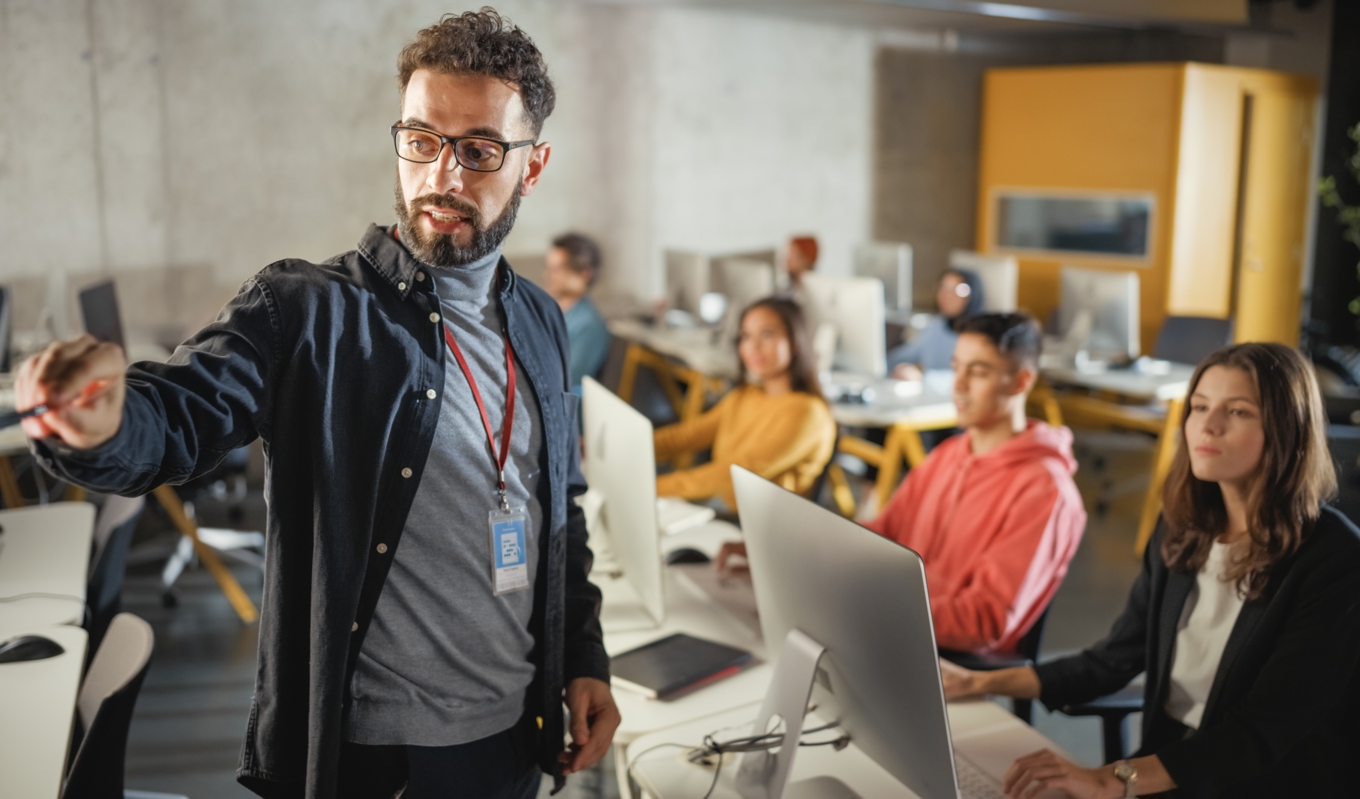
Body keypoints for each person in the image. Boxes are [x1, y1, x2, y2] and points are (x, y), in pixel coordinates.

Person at [15, 11, 617, 799]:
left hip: (512, 740)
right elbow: (178, 415)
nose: (443, 175)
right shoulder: (304, 311)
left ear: (532, 167)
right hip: (377, 762)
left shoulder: (540, 318)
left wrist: (582, 657)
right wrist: (103, 426)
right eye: (421, 140)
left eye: (479, 150)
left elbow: (559, 509)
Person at [941, 343, 1360, 799]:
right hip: (1168, 770)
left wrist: (1111, 779)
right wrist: (981, 682)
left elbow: (1263, 730)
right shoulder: (1183, 529)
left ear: (1287, 429)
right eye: (1199, 407)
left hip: (1265, 783)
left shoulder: (1335, 559)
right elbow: (1112, 660)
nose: (1209, 425)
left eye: (1238, 412)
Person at [866, 313, 1085, 654]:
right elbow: (881, 536)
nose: (958, 385)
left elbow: (983, 622)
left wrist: (880, 610)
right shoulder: (948, 454)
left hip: (949, 659)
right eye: (956, 368)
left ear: (1021, 382)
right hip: (894, 630)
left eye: (978, 372)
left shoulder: (1046, 492)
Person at [654, 297, 835, 511]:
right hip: (726, 505)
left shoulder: (808, 413)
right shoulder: (745, 395)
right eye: (746, 336)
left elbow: (732, 474)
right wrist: (633, 446)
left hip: (760, 523)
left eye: (767, 334)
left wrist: (653, 487)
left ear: (795, 342)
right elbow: (685, 437)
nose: (754, 347)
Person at [888, 267, 985, 381]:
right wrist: (898, 367)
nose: (946, 295)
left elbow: (970, 377)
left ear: (971, 296)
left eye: (956, 290)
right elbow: (907, 354)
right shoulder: (937, 325)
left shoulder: (981, 336)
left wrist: (923, 377)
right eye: (943, 288)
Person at [544, 232, 610, 393]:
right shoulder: (549, 310)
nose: (549, 276)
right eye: (549, 268)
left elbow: (569, 379)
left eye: (558, 269)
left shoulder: (589, 325)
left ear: (585, 273)